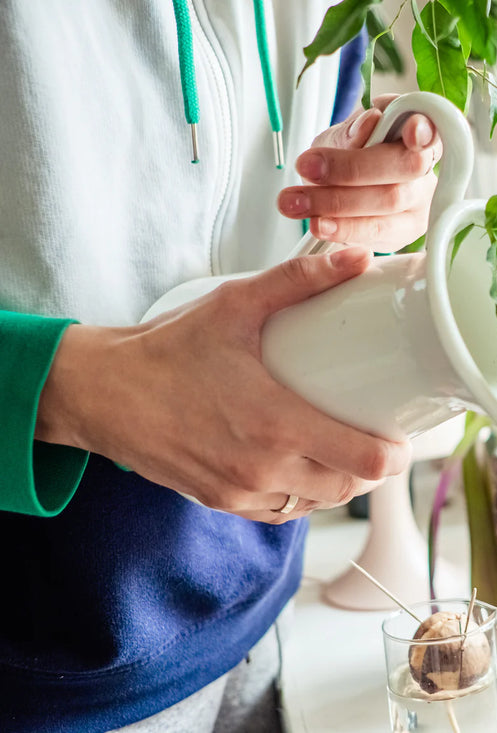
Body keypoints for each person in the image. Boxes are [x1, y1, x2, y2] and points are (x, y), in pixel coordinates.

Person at [0, 3, 440, 730]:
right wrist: (73, 388)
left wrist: (375, 204)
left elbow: (289, 210)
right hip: (41, 674)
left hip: (265, 606)